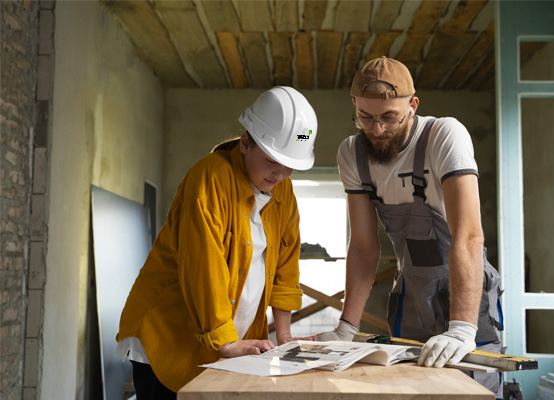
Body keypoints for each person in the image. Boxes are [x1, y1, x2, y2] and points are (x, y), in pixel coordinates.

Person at [317, 57, 503, 396]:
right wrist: (346, 327)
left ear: (412, 105)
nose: (377, 130)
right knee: (407, 387)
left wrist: (462, 328)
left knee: (470, 389)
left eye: (389, 117)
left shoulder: (443, 135)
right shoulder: (352, 154)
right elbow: (362, 246)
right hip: (411, 292)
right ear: (355, 106)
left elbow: (469, 235)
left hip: (464, 290)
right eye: (365, 117)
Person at [116, 86, 319, 398]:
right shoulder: (210, 177)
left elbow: (285, 267)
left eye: (291, 165)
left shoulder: (284, 192)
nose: (280, 174)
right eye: (271, 161)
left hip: (224, 340)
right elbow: (203, 268)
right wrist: (227, 342)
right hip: (169, 333)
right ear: (245, 143)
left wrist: (285, 333)